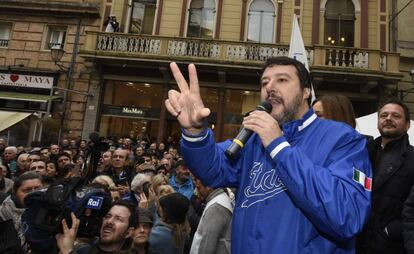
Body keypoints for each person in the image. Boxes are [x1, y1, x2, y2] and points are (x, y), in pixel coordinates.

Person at [164, 57, 372, 253]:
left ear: (306, 91)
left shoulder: (344, 139)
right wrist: (194, 132)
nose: (270, 88)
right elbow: (212, 168)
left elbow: (348, 216)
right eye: (264, 83)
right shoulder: (253, 140)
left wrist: (279, 147)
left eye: (282, 80)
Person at [357, 98, 414, 253]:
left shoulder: (412, 158)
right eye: (384, 115)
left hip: (390, 246)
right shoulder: (363, 152)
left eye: (396, 116)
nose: (388, 118)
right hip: (358, 241)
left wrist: (391, 231)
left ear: (407, 124)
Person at [56, 200, 138, 254]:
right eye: (108, 216)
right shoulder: (81, 250)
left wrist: (67, 251)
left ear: (128, 232)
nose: (109, 221)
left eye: (118, 219)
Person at [190, 180, 233, 254]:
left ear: (209, 187)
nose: (196, 192)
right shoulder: (219, 200)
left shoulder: (216, 207)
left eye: (199, 188)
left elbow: (207, 245)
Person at [0, 171, 43, 247]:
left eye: (38, 189)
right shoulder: (3, 214)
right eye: (27, 190)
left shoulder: (51, 212)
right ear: (15, 193)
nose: (34, 193)